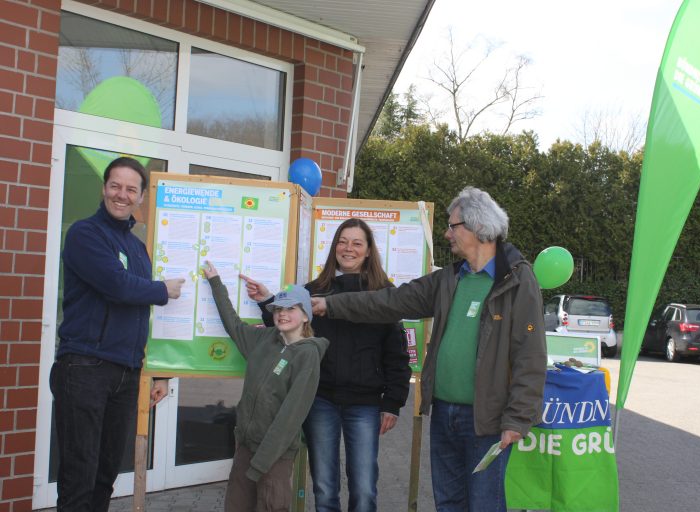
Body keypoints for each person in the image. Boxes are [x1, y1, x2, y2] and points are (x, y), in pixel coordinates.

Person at [312, 187, 547, 512]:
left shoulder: (518, 280)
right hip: (444, 413)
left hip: (487, 420)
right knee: (448, 503)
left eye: (453, 226)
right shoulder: (450, 279)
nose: (446, 233)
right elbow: (388, 302)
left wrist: (517, 418)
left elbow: (530, 356)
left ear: (477, 228)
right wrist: (329, 305)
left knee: (483, 505)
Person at [241, 217, 411, 512]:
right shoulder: (312, 291)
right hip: (321, 401)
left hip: (365, 404)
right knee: (324, 488)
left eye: (357, 243)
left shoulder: (385, 294)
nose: (349, 249)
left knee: (364, 488)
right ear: (334, 248)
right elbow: (290, 327)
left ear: (369, 250)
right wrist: (267, 300)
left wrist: (392, 403)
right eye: (343, 242)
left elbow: (397, 356)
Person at [50, 157, 185, 511]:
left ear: (141, 198)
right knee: (79, 475)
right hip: (85, 368)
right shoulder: (85, 234)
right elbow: (117, 286)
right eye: (115, 186)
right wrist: (161, 290)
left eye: (130, 189)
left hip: (125, 373)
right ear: (104, 188)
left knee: (105, 475)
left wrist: (159, 371)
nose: (121, 195)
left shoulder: (138, 250)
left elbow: (143, 314)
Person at [202, 262, 329, 512]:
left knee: (271, 506)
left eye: (291, 308)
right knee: (236, 506)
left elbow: (291, 415)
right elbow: (233, 324)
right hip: (246, 447)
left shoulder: (308, 355)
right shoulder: (265, 339)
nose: (282, 314)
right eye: (278, 309)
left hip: (275, 455)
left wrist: (263, 460)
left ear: (305, 315)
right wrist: (216, 283)